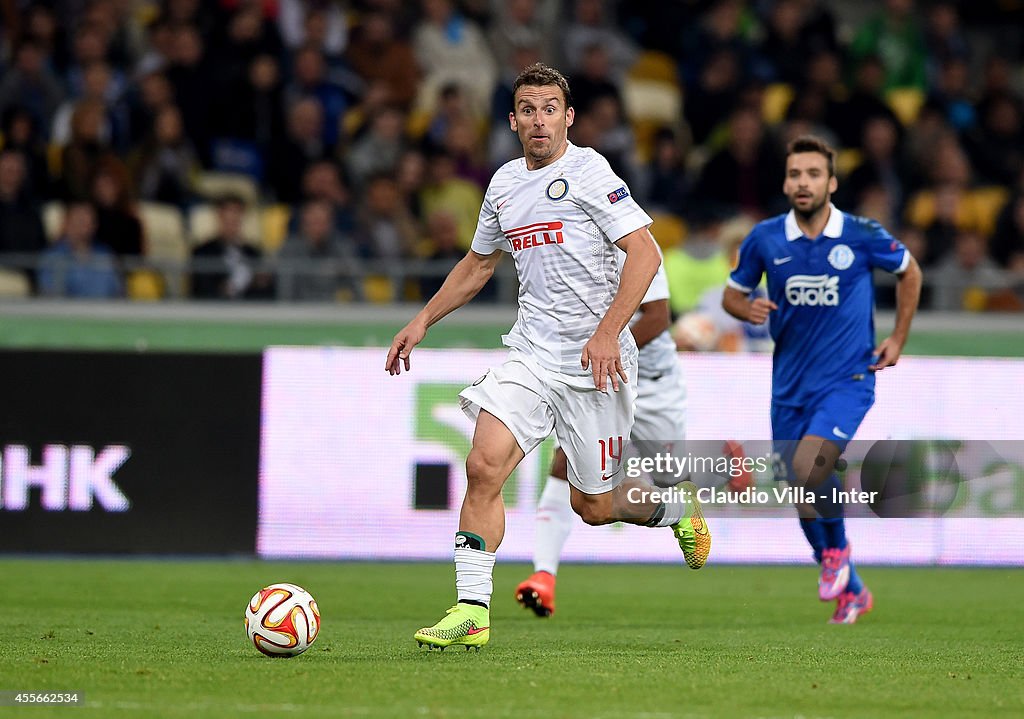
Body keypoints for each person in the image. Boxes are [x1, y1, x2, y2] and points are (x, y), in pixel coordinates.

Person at [386, 63, 710, 651]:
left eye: (549, 109)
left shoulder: (591, 171)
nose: (539, 119)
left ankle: (672, 512)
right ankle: (471, 611)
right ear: (513, 122)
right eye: (528, 109)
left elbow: (646, 254)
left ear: (568, 118)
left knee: (593, 504)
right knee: (484, 465)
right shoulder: (504, 184)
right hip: (532, 354)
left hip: (597, 366)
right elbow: (478, 264)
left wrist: (610, 331)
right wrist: (422, 319)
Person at [722, 135, 922, 624]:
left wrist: (897, 338)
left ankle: (836, 555)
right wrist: (746, 309)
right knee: (800, 484)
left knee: (811, 465)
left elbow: (909, 271)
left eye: (813, 174)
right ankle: (850, 586)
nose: (803, 182)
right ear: (786, 182)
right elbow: (732, 295)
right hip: (789, 384)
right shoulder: (765, 238)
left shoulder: (860, 234)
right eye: (795, 175)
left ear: (830, 183)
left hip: (848, 378)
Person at [514, 254, 687, 617]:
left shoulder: (635, 243)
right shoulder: (570, 242)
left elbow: (657, 317)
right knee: (565, 463)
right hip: (598, 380)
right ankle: (543, 576)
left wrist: (608, 347)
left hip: (653, 386)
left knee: (669, 479)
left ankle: (685, 509)